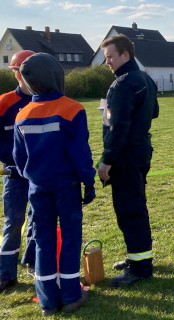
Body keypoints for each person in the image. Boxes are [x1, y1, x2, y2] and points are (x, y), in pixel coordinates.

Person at [13, 52, 95, 316]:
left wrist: (34, 177)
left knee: (43, 240)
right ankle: (71, 294)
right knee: (70, 238)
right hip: (67, 187)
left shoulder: (22, 115)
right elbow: (80, 152)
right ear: (57, 76)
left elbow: (19, 157)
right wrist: (88, 181)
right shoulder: (72, 109)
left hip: (38, 188)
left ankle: (47, 300)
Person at [98, 34, 159, 287]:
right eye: (105, 58)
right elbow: (154, 111)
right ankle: (139, 256)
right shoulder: (146, 79)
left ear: (126, 55)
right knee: (136, 205)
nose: (107, 62)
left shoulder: (122, 84)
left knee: (128, 209)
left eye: (110, 56)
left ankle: (140, 267)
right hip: (141, 150)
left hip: (125, 156)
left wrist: (106, 160)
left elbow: (117, 127)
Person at [0, 50, 36, 292]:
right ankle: (5, 272)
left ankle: (34, 264)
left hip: (40, 175)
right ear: (15, 73)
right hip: (14, 175)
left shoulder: (45, 100)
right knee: (14, 221)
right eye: (21, 71)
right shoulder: (4, 103)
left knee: (38, 221)